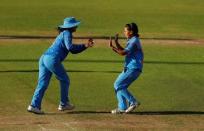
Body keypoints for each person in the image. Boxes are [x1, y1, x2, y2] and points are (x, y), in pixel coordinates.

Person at [27, 17, 94, 114]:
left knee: (42, 84)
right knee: (65, 79)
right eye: (75, 25)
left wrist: (85, 46)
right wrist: (85, 45)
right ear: (71, 26)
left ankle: (34, 105)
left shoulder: (63, 33)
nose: (76, 26)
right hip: (52, 59)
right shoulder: (67, 33)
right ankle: (64, 103)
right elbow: (70, 48)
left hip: (44, 58)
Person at [109, 22, 144, 114]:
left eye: (125, 30)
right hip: (131, 68)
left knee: (118, 85)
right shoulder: (132, 40)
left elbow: (123, 53)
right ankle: (122, 107)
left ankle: (133, 102)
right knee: (120, 86)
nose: (124, 32)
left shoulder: (134, 41)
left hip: (133, 68)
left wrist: (114, 48)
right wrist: (116, 43)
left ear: (131, 32)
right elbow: (124, 51)